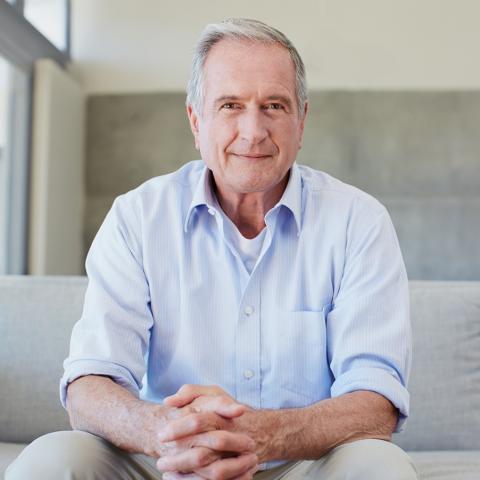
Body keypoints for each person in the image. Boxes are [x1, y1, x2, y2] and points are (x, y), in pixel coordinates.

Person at [6, 18, 417, 480]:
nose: (253, 130)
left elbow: (376, 402)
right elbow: (89, 385)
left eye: (274, 105)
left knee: (380, 465)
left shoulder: (359, 222)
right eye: (230, 105)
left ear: (301, 121)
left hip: (301, 463)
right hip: (165, 456)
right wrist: (169, 429)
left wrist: (266, 435)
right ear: (196, 121)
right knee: (53, 460)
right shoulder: (137, 217)